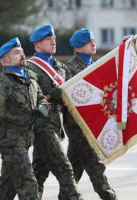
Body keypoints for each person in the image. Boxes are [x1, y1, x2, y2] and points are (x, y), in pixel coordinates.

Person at [0, 37, 50, 200]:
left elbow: (41, 98)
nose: (22, 54)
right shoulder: (3, 82)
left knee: (7, 187)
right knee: (28, 185)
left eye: (22, 51)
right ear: (6, 60)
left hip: (25, 139)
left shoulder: (30, 78)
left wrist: (42, 107)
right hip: (10, 141)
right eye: (16, 52)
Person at [26, 25, 83, 200]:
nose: (53, 42)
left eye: (54, 39)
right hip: (41, 126)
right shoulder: (29, 68)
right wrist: (49, 96)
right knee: (65, 169)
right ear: (37, 44)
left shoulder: (60, 68)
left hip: (56, 126)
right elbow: (27, 99)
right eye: (48, 39)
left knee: (38, 174)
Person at [64, 28, 118, 200]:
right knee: (96, 168)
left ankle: (67, 196)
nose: (93, 43)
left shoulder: (95, 66)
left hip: (93, 126)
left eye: (93, 40)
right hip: (79, 127)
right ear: (78, 48)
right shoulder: (69, 69)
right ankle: (109, 196)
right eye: (88, 42)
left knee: (72, 172)